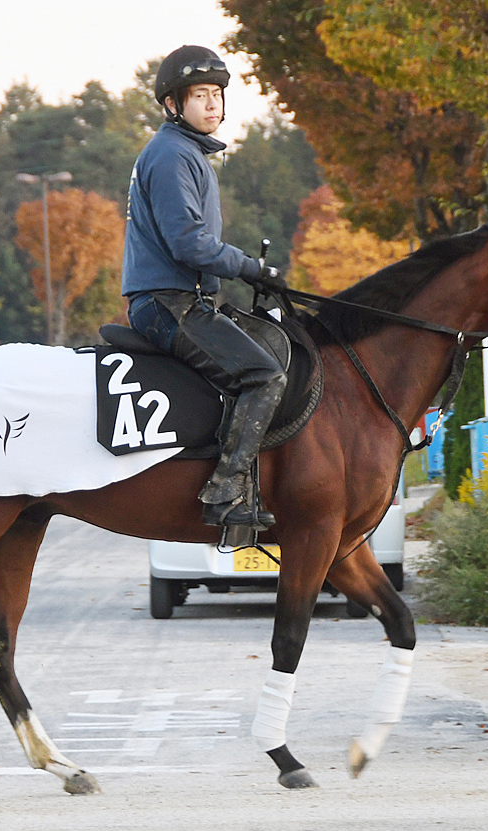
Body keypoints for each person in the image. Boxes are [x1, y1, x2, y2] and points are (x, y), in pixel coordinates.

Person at [122, 44, 288, 533]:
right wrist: (252, 268)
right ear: (173, 105)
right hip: (166, 303)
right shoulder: (173, 155)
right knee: (264, 375)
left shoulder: (184, 152)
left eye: (217, 94)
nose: (212, 104)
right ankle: (225, 493)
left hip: (180, 298)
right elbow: (190, 243)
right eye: (200, 95)